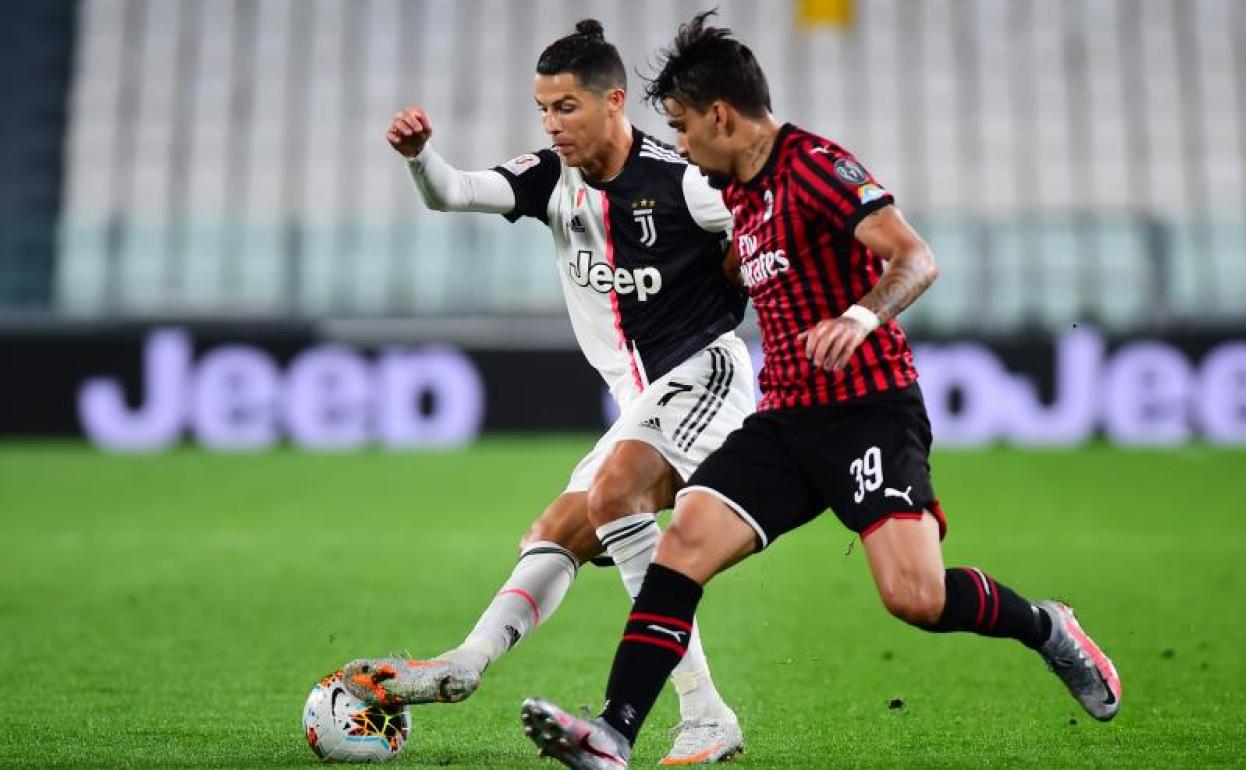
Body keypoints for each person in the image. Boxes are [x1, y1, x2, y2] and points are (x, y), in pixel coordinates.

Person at [520, 12, 1122, 769]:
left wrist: (860, 316)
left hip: (867, 411)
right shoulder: (731, 188)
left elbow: (915, 257)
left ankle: (1045, 625)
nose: (677, 146)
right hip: (784, 422)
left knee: (915, 597)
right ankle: (613, 734)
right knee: (681, 548)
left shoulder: (814, 166)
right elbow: (741, 264)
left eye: (681, 127)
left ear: (721, 116)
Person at [342, 19, 751, 765]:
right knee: (555, 532)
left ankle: (703, 714)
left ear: (613, 101)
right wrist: (420, 157)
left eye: (566, 107)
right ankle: (464, 664)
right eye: (542, 109)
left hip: (707, 372)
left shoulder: (681, 181)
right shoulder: (550, 179)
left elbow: (762, 221)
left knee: (616, 493)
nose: (552, 124)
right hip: (642, 403)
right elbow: (453, 192)